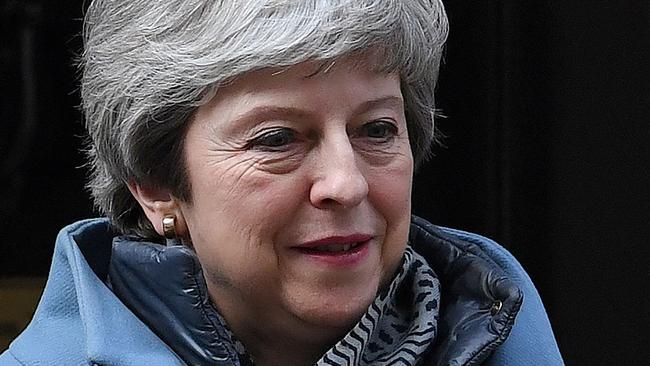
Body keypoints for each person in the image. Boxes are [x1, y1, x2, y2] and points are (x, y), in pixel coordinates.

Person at [1, 1, 564, 365]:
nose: (346, 184)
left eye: (376, 129)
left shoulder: (503, 327)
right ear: (155, 186)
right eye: (276, 140)